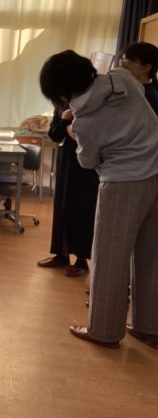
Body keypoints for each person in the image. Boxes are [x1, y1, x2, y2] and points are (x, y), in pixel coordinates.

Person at [39, 50, 158, 348]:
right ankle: (149, 326)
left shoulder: (83, 121)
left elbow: (88, 161)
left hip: (122, 182)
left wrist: (74, 134)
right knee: (151, 256)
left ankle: (103, 331)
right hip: (156, 172)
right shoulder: (123, 79)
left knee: (109, 259)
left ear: (60, 92)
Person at [36, 106, 98, 277]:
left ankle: (81, 260)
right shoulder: (61, 104)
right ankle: (61, 255)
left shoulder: (92, 102)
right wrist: (63, 121)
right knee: (62, 207)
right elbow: (54, 135)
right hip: (66, 161)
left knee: (83, 209)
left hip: (87, 165)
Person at [119, 41, 158, 114]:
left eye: (128, 61)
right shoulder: (128, 88)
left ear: (146, 68)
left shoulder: (148, 97)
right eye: (122, 60)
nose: (122, 65)